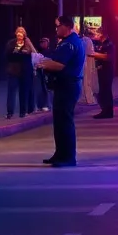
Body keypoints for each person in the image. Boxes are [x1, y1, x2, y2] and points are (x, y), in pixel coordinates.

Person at [38, 15, 85, 167]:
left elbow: (59, 65)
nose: (56, 29)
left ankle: (68, 157)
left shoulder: (70, 43)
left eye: (58, 26)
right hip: (64, 86)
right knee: (59, 122)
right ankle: (60, 154)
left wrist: (43, 65)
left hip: (68, 86)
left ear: (66, 26)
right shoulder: (67, 42)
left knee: (65, 122)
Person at [4, 27, 36, 119]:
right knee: (11, 91)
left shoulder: (27, 42)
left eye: (22, 31)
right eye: (18, 31)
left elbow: (34, 53)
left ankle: (23, 111)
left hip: (26, 70)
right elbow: (8, 54)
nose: (20, 33)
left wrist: (28, 45)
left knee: (24, 91)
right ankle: (10, 112)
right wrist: (19, 48)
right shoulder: (11, 43)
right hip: (13, 70)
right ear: (15, 33)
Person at [91, 25, 116, 119]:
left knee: (106, 91)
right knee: (102, 91)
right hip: (101, 71)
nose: (95, 35)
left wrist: (93, 54)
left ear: (103, 34)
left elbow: (107, 57)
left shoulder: (108, 44)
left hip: (107, 71)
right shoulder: (100, 44)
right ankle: (104, 110)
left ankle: (107, 111)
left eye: (97, 33)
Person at [79, 27, 98, 105]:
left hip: (82, 62)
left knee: (84, 81)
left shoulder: (81, 40)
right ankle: (89, 99)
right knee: (88, 81)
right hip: (88, 62)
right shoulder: (88, 40)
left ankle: (83, 98)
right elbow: (90, 52)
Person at [36, 36, 53, 111]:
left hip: (47, 72)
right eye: (41, 42)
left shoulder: (51, 51)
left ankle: (49, 105)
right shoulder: (38, 52)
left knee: (48, 89)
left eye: (44, 42)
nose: (42, 44)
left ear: (48, 43)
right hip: (40, 72)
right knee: (41, 89)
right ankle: (41, 105)